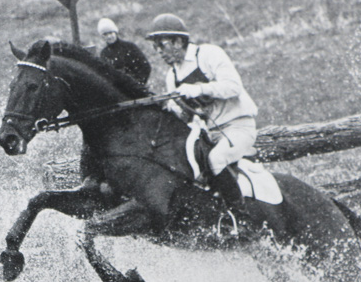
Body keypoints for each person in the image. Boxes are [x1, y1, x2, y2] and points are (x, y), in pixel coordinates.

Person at [146, 13, 257, 213]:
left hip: (238, 126)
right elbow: (186, 116)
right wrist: (170, 108)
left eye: (161, 45)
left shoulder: (208, 54)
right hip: (209, 134)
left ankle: (241, 216)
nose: (158, 52)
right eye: (155, 47)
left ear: (178, 41)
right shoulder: (172, 76)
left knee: (216, 159)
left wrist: (199, 88)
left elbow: (233, 86)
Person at [97, 17, 151, 85]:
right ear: (102, 37)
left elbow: (145, 66)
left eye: (110, 33)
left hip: (135, 89)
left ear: (115, 32)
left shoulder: (130, 47)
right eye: (105, 34)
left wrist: (139, 84)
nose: (109, 37)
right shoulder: (104, 54)